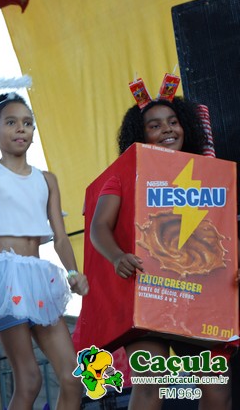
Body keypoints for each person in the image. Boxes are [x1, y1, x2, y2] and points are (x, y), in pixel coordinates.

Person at [0, 92, 90, 410]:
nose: (21, 129)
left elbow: (61, 238)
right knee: (29, 380)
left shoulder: (47, 180)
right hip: (5, 279)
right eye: (11, 122)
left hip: (39, 279)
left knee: (73, 378)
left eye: (27, 123)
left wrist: (74, 272)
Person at [88, 93, 231, 410]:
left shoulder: (208, 177)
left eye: (173, 122)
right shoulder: (123, 174)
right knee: (151, 384)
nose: (167, 129)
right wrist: (117, 256)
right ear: (139, 135)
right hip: (146, 294)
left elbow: (225, 235)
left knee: (218, 388)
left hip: (197, 298)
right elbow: (99, 227)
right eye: (154, 125)